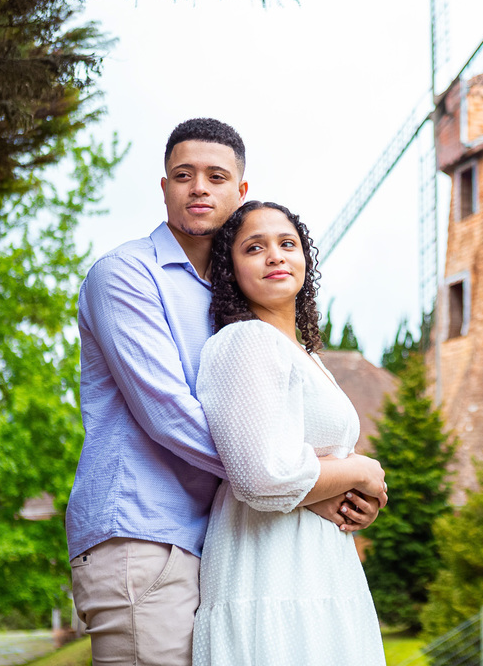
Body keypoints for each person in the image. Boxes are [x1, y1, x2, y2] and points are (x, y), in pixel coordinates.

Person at [66, 119, 381, 665]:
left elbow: (269, 427)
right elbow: (170, 415)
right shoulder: (125, 276)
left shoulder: (230, 298)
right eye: (183, 175)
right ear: (163, 187)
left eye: (216, 176)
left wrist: (313, 482)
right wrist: (313, 483)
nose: (198, 188)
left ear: (241, 193)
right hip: (145, 537)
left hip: (214, 540)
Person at [193, 200, 387, 666]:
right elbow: (261, 475)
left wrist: (357, 504)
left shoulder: (306, 356)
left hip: (324, 568)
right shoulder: (244, 342)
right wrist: (361, 469)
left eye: (287, 244)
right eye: (254, 248)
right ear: (231, 269)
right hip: (271, 569)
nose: (275, 256)